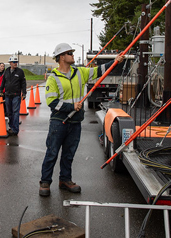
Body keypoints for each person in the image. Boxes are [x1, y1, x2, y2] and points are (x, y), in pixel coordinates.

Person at [39, 43, 124, 196]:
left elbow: (99, 71)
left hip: (75, 121)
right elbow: (52, 102)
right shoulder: (53, 78)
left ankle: (65, 180)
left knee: (69, 154)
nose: (73, 54)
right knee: (52, 152)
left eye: (72, 52)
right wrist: (71, 106)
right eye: (69, 53)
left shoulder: (80, 72)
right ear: (61, 57)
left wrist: (115, 61)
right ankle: (45, 182)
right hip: (59, 122)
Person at [0, 56, 26, 136]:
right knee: (9, 112)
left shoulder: (20, 72)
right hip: (7, 95)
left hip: (16, 95)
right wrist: (1, 89)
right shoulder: (6, 71)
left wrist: (23, 93)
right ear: (10, 63)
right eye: (14, 62)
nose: (15, 63)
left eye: (16, 62)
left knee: (15, 112)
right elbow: (3, 81)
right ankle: (11, 127)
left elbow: (23, 83)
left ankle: (15, 129)